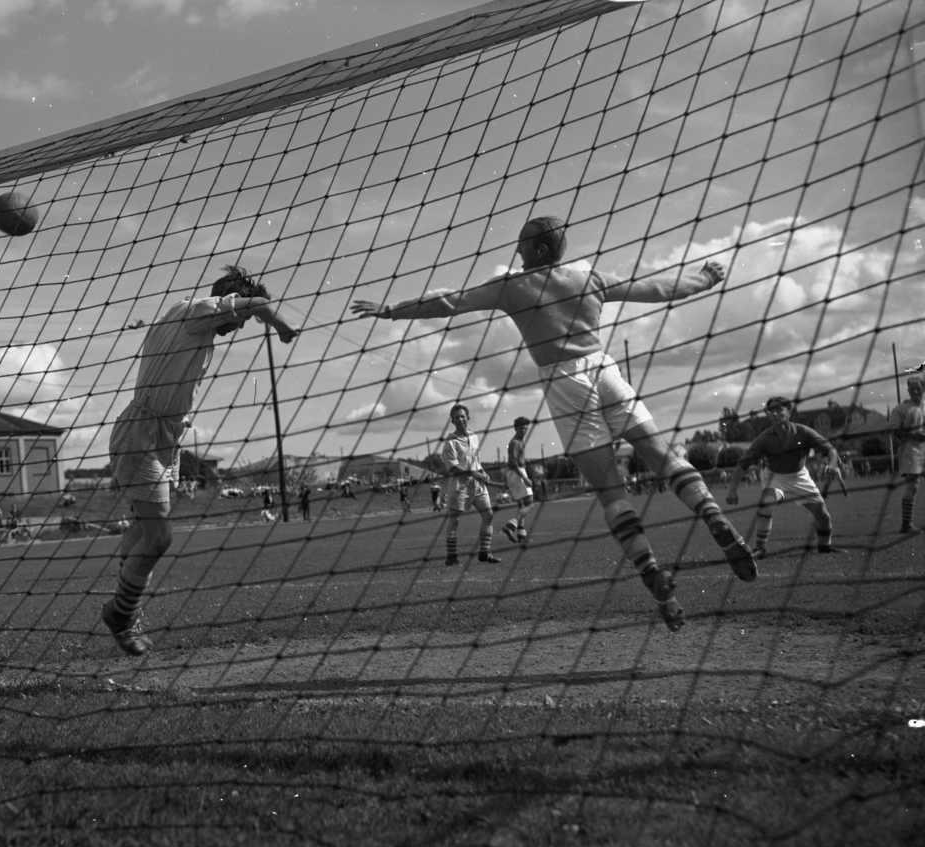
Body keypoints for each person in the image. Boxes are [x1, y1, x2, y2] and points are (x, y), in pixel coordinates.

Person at [351, 215, 756, 631]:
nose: (518, 250)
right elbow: (653, 288)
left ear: (540, 249)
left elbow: (450, 301)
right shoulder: (589, 278)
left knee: (610, 492)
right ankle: (710, 512)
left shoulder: (514, 286)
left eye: (523, 243)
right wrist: (704, 278)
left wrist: (392, 311)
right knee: (665, 458)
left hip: (566, 385)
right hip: (607, 372)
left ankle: (651, 570)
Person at [100, 264, 298, 655]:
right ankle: (120, 615)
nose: (238, 327)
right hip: (142, 433)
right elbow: (257, 304)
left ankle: (124, 609)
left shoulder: (195, 324)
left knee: (143, 532)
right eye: (239, 318)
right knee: (159, 537)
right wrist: (282, 326)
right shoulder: (197, 311)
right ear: (232, 303)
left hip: (163, 436)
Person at [724, 396, 840, 558]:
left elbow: (830, 450)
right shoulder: (764, 439)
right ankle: (760, 549)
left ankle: (824, 548)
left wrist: (832, 464)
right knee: (766, 502)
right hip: (775, 476)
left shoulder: (803, 432)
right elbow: (743, 463)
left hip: (800, 476)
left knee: (823, 515)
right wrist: (732, 490)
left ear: (789, 412)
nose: (775, 414)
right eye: (771, 411)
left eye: (779, 410)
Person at [438, 403, 499, 566]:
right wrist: (473, 473)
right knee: (455, 520)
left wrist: (482, 471)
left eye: (462, 416)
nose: (460, 419)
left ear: (468, 418)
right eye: (456, 417)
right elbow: (453, 467)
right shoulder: (450, 442)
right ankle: (451, 557)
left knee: (488, 515)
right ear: (452, 421)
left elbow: (475, 461)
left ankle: (484, 553)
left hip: (477, 485)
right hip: (460, 486)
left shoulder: (474, 436)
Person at [889, 375, 925, 533]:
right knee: (913, 486)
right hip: (910, 452)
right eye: (912, 389)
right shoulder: (901, 409)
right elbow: (894, 430)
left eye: (919, 388)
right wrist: (916, 436)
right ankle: (906, 524)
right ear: (908, 391)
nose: (916, 391)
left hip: (923, 451)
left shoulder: (923, 407)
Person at [502, 416, 534, 546]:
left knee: (521, 505)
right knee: (530, 505)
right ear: (515, 428)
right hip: (518, 473)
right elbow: (513, 463)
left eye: (526, 428)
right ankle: (510, 526)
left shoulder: (520, 441)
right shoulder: (515, 442)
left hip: (515, 473)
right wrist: (525, 477)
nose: (524, 430)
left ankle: (521, 535)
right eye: (521, 428)